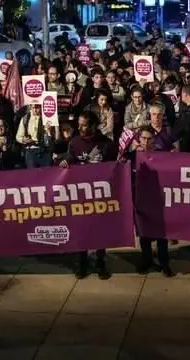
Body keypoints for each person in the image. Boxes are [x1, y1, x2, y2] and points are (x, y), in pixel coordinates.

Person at [59, 111, 117, 279]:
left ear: (93, 125)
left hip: (99, 197)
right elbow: (70, 158)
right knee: (80, 230)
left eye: (84, 125)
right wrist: (65, 162)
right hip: (80, 197)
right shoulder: (75, 142)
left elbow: (113, 169)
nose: (80, 128)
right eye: (79, 124)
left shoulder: (107, 144)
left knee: (99, 232)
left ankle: (100, 263)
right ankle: (81, 263)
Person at [135, 125, 174, 277]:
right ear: (139, 139)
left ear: (154, 140)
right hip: (141, 200)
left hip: (159, 200)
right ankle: (147, 260)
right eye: (143, 138)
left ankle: (164, 263)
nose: (146, 142)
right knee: (144, 235)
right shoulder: (134, 156)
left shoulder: (161, 155)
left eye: (149, 139)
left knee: (161, 235)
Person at [15, 104, 57, 169]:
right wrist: (24, 140)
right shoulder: (25, 118)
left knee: (47, 175)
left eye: (37, 107)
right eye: (33, 107)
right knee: (32, 176)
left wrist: (49, 131)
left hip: (45, 151)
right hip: (31, 151)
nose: (35, 110)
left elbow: (56, 137)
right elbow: (18, 136)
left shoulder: (48, 117)